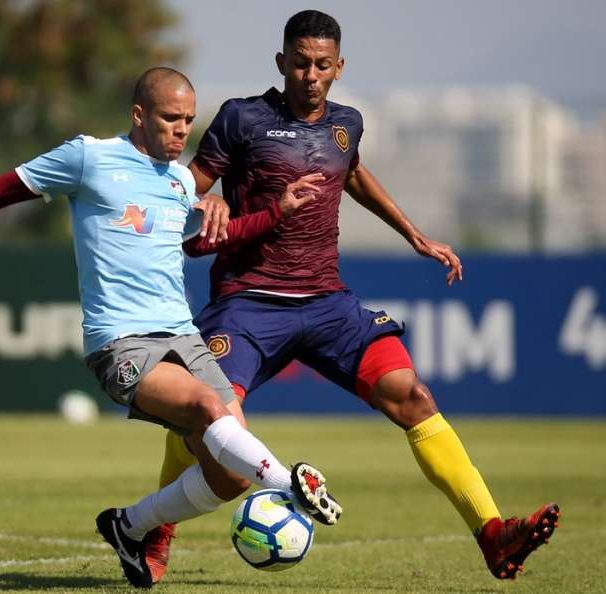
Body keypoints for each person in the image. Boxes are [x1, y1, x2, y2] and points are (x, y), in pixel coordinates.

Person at [142, 10, 560, 583]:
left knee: (411, 394)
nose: (310, 75)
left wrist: (414, 234)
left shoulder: (348, 123)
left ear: (339, 67)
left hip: (326, 304)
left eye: (321, 65)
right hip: (247, 302)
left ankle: (491, 533)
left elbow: (354, 174)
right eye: (299, 63)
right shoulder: (242, 118)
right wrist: (203, 204)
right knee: (205, 416)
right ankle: (157, 528)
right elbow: (188, 187)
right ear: (281, 62)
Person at [0, 66, 339, 589]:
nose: (181, 130)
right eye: (171, 117)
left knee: (232, 475)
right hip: (119, 341)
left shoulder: (180, 181)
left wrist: (274, 210)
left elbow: (201, 241)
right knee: (208, 410)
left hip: (182, 335)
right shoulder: (89, 158)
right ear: (139, 115)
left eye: (189, 120)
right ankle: (291, 483)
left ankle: (129, 525)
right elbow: (0, 192)